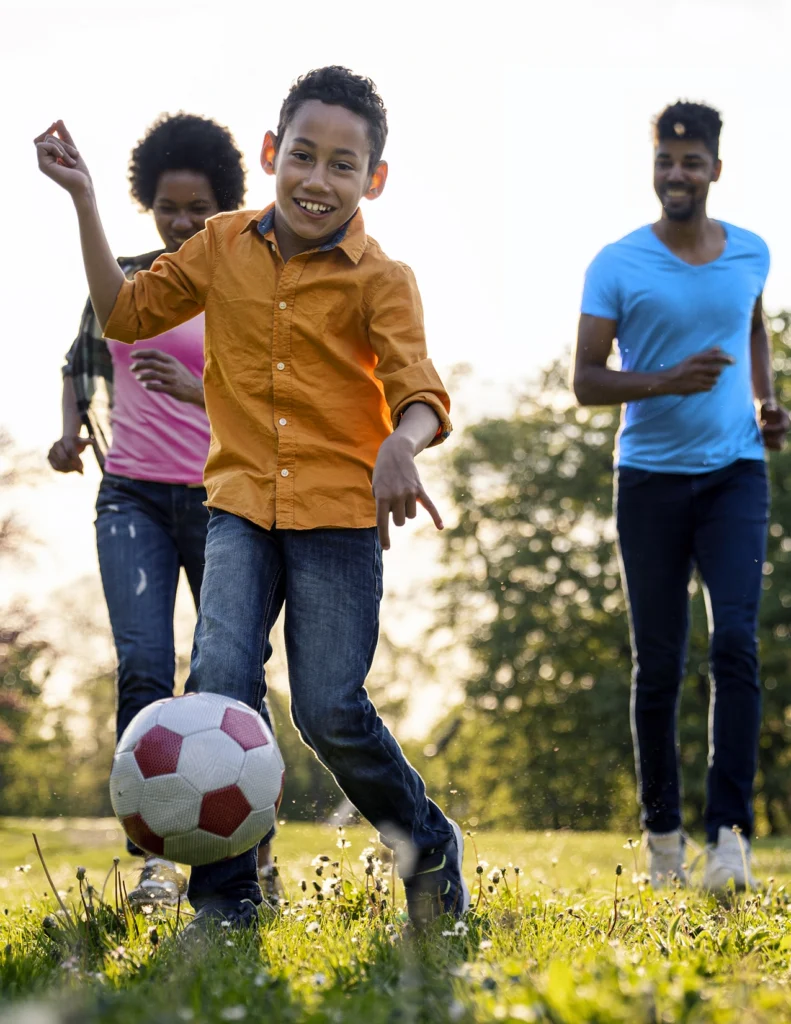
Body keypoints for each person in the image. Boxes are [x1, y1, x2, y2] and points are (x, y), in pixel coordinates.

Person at [35, 66, 470, 931]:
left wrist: (400, 443)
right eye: (302, 155)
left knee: (328, 711)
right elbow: (123, 313)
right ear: (272, 152)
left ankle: (427, 844)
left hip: (337, 520)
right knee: (220, 691)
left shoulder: (383, 278)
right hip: (234, 507)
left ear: (371, 180)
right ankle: (225, 900)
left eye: (342, 166)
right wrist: (84, 200)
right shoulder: (220, 244)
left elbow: (420, 392)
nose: (318, 179)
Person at [46, 112, 280, 907]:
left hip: (224, 496)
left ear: (224, 204)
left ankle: (253, 852)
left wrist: (203, 389)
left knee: (229, 676)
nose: (180, 222)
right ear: (148, 200)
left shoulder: (241, 285)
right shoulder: (132, 281)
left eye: (197, 208)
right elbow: (81, 359)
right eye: (168, 207)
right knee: (143, 668)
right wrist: (71, 430)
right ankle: (153, 859)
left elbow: (276, 401)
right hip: (133, 497)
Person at [573, 101, 789, 891]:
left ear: (714, 171)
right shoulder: (617, 263)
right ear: (652, 166)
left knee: (734, 643)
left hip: (736, 475)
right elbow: (585, 380)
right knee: (657, 664)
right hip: (650, 481)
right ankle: (663, 840)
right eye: (665, 161)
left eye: (690, 162)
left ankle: (727, 839)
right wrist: (666, 379)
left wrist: (768, 400)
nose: (676, 174)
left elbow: (753, 326)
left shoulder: (751, 254)